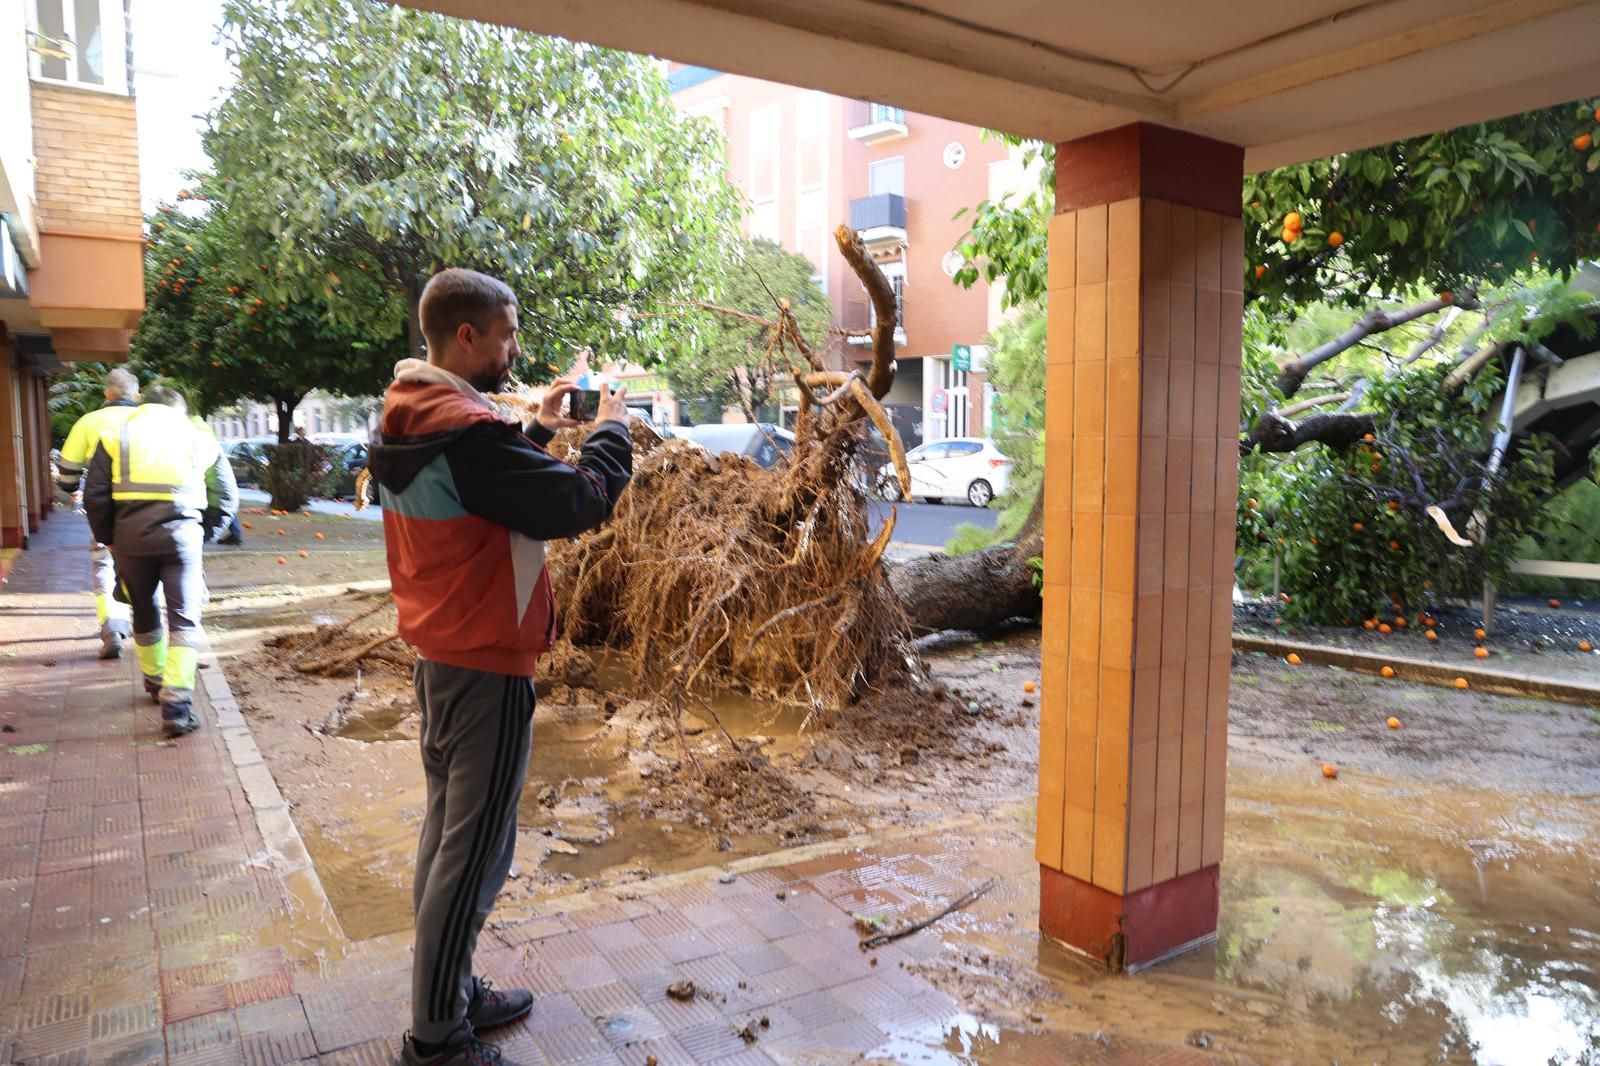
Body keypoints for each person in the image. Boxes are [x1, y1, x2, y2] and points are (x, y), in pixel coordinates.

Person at [366, 269, 632, 1066]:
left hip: (445, 654)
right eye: (508, 335)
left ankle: (450, 992)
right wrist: (611, 430)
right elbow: (578, 501)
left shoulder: (413, 412)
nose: (516, 351)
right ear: (468, 338)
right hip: (484, 663)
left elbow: (484, 487)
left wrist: (539, 431)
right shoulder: (465, 430)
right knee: (475, 849)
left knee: (450, 837)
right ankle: (438, 1038)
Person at [83, 386, 239, 737]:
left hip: (130, 538)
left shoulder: (115, 434)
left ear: (141, 403)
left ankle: (154, 681)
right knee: (184, 620)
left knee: (143, 607)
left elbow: (95, 496)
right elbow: (227, 496)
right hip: (182, 538)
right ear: (179, 409)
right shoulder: (198, 436)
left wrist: (110, 539)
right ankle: (177, 706)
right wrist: (204, 533)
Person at [55, 368, 141, 659]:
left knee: (103, 564)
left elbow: (67, 473)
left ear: (107, 394)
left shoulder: (89, 421)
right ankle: (147, 632)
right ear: (137, 395)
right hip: (146, 508)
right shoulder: (147, 420)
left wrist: (74, 490)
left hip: (104, 507)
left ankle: (112, 629)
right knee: (145, 567)